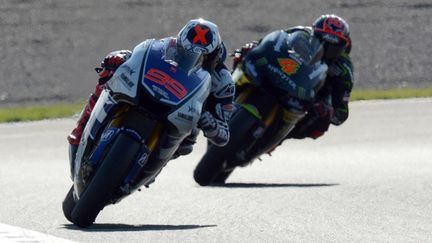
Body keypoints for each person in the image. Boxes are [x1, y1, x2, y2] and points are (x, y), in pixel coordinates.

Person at [67, 18, 235, 166]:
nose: (194, 60)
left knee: (186, 145)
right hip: (147, 93)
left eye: (203, 59)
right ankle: (81, 129)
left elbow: (224, 135)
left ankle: (149, 167)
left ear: (215, 57)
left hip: (182, 120)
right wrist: (120, 58)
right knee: (112, 71)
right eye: (187, 53)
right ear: (179, 45)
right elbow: (139, 57)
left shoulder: (222, 81)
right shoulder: (166, 48)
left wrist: (209, 123)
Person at [233, 14, 354, 142]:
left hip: (308, 96)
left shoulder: (344, 69)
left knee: (320, 121)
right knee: (244, 59)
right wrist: (249, 48)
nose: (324, 50)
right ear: (313, 35)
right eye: (320, 42)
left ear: (342, 48)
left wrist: (328, 111)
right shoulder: (300, 34)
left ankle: (276, 138)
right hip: (279, 74)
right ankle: (223, 96)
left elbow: (341, 113)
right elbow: (269, 43)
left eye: (332, 48)